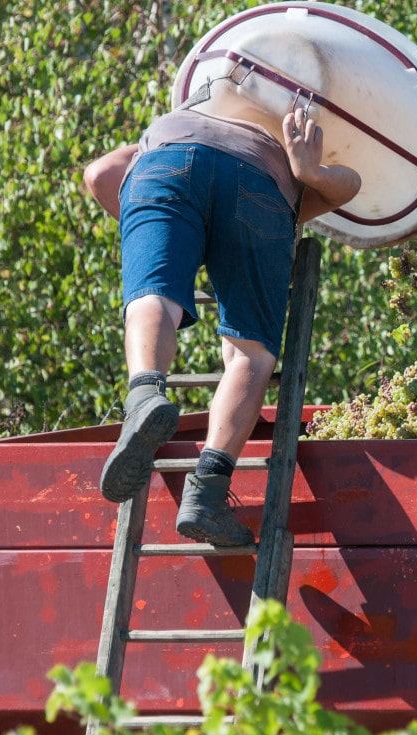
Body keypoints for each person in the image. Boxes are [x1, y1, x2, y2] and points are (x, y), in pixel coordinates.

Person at [83, 103, 360, 546]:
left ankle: (144, 396)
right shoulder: (286, 145)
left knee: (153, 295)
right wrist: (310, 170)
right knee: (251, 353)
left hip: (164, 161)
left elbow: (99, 174)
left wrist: (180, 246)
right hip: (259, 180)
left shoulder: (193, 110)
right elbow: (351, 185)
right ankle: (207, 494)